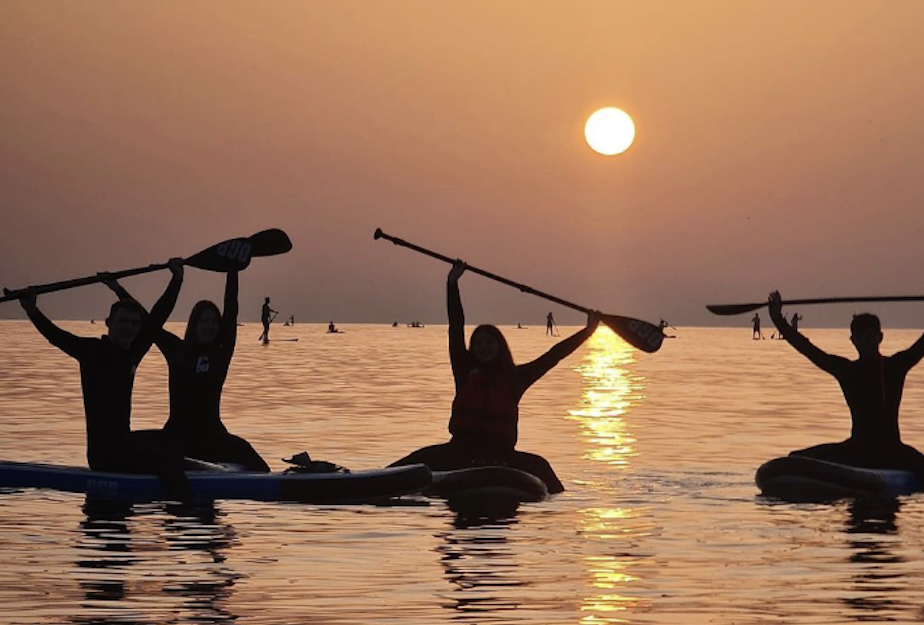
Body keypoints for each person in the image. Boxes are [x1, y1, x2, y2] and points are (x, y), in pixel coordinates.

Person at [390, 262, 601, 493]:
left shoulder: (516, 378)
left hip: (502, 458)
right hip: (459, 452)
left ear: (500, 346)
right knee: (416, 461)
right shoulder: (463, 371)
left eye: (489, 343)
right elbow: (456, 326)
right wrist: (452, 283)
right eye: (478, 344)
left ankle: (565, 504)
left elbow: (554, 356)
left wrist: (587, 332)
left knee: (540, 465)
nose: (483, 348)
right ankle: (371, 481)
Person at [16, 260, 191, 496]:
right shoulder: (91, 352)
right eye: (123, 322)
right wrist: (32, 311)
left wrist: (176, 279)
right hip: (105, 455)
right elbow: (56, 336)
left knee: (171, 440)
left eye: (133, 323)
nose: (128, 328)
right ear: (109, 323)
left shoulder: (132, 353)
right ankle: (185, 508)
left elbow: (158, 315)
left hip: (124, 445)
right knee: (168, 459)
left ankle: (194, 471)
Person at [106, 270, 270, 472]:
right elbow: (149, 322)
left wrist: (232, 270)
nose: (209, 326)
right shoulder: (176, 349)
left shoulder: (221, 353)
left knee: (257, 463)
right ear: (194, 324)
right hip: (176, 437)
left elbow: (231, 311)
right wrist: (117, 288)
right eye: (204, 321)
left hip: (213, 438)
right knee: (124, 441)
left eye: (213, 322)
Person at [768, 291, 924, 480]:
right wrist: (777, 319)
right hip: (856, 449)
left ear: (880, 337)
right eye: (861, 337)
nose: (866, 342)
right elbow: (809, 350)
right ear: (853, 340)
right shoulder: (846, 370)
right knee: (795, 458)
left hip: (892, 450)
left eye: (870, 337)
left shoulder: (895, 366)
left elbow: (921, 345)